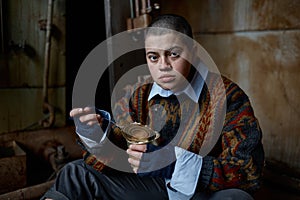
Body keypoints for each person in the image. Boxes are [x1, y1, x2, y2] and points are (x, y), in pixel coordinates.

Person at [41, 14, 264, 200]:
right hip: (153, 190)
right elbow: (119, 148)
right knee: (76, 173)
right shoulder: (139, 93)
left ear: (194, 51)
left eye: (173, 54)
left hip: (200, 194)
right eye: (153, 57)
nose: (163, 66)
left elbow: (248, 171)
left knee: (237, 198)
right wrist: (97, 132)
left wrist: (174, 164)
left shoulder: (228, 96)